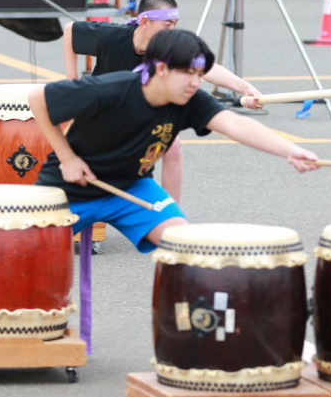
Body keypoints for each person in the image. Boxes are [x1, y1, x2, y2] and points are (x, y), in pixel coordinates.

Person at [33, 29, 316, 253]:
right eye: (187, 73)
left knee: (185, 246)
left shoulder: (189, 100)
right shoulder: (111, 89)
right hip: (69, 188)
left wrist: (290, 150)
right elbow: (38, 100)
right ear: (161, 68)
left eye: (199, 74)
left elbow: (235, 124)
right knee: (20, 254)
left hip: (132, 186)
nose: (195, 82)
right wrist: (68, 158)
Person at [61, 0, 262, 203]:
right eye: (167, 26)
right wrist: (72, 79)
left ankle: (170, 212)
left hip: (140, 112)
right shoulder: (111, 36)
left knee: (173, 145)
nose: (172, 30)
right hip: (101, 112)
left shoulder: (168, 48)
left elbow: (207, 68)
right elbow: (71, 30)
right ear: (145, 22)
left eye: (175, 25)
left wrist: (245, 88)